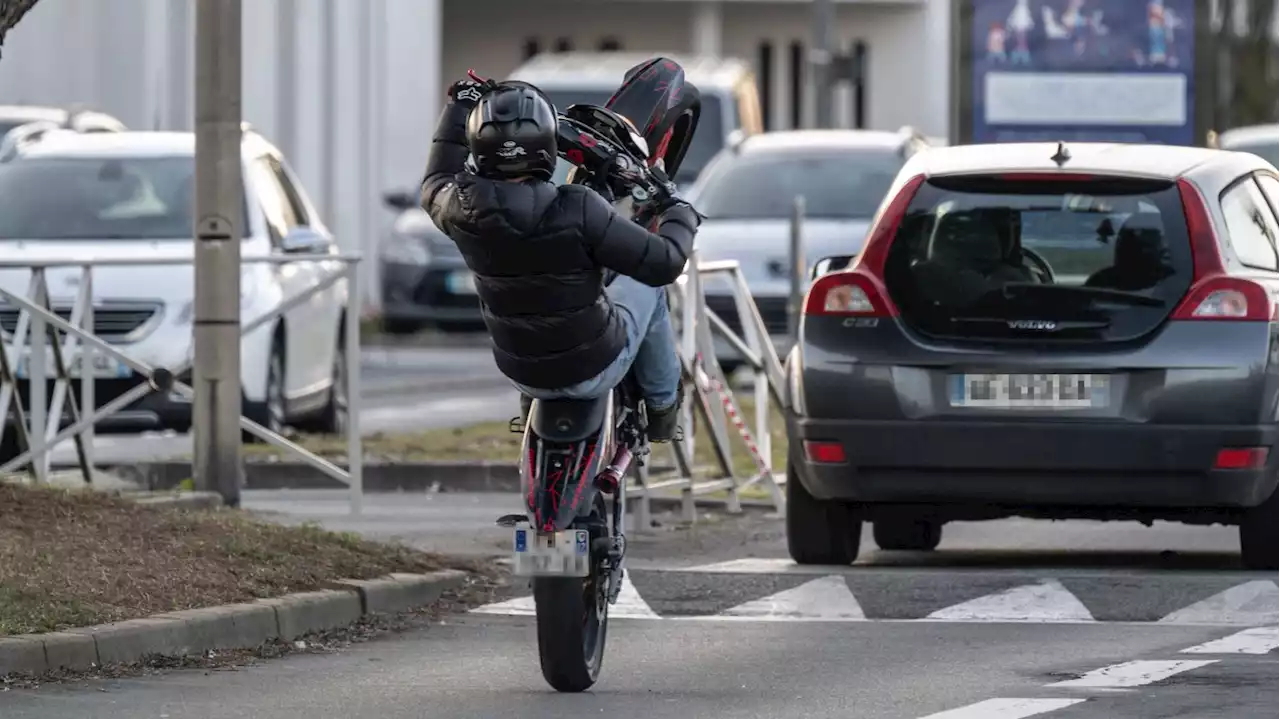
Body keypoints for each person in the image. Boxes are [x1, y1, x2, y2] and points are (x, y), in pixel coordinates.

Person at [419, 77, 700, 441]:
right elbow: (665, 263)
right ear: (546, 143)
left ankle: (529, 410)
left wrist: (459, 105)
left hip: (521, 372)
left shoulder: (460, 209)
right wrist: (680, 213)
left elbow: (435, 181)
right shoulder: (579, 207)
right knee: (648, 287)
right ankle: (663, 412)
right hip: (596, 367)